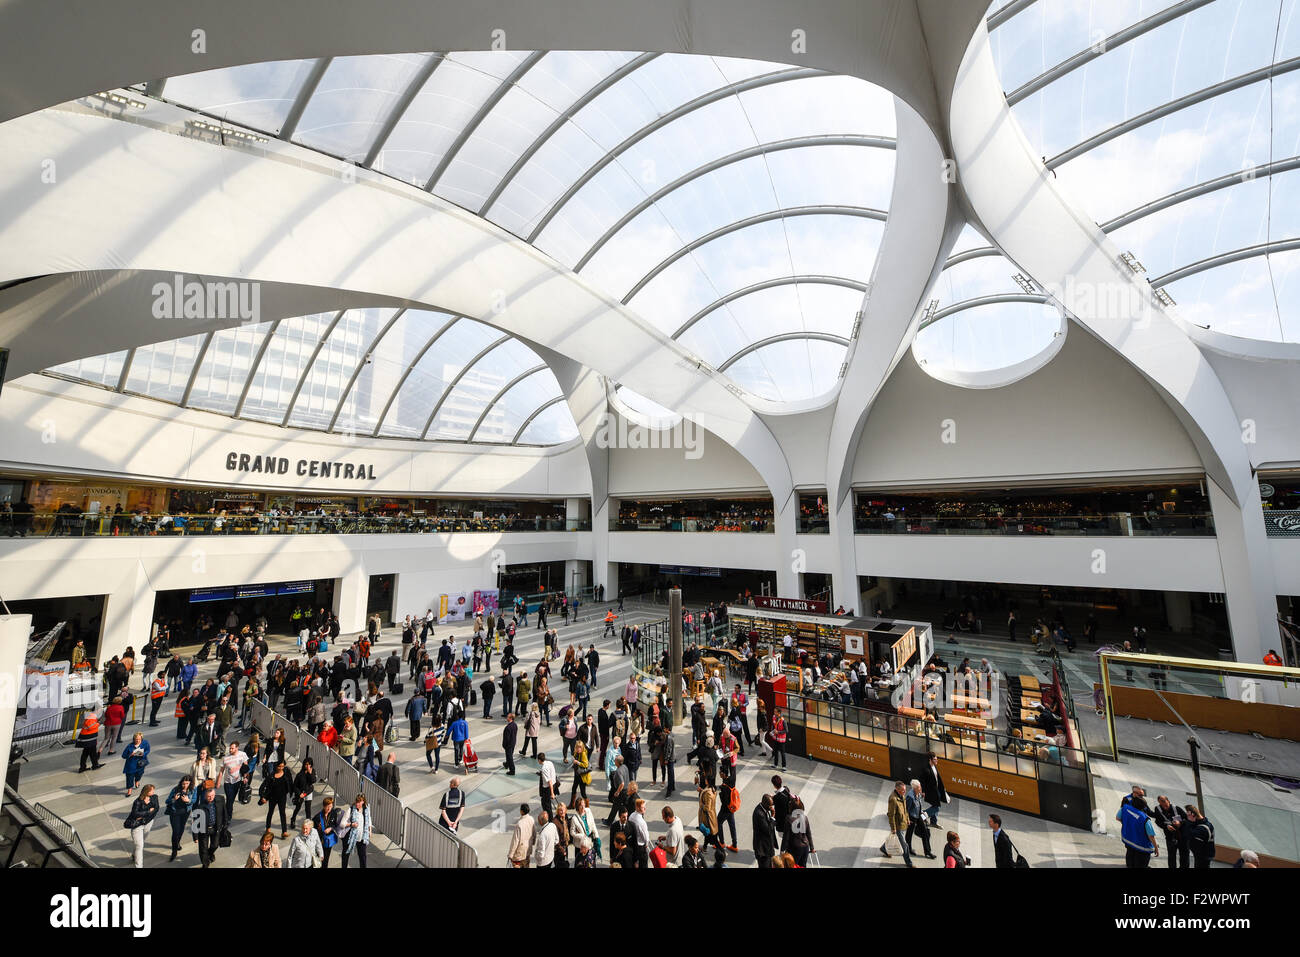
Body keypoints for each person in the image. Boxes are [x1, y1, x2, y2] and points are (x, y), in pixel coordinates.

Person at [1117, 794, 1159, 867]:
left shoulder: (1124, 808)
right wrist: (1156, 848)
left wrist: (1127, 825)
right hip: (1142, 848)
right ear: (1144, 807)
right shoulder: (1145, 819)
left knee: (1130, 864)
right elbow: (1151, 836)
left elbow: (1118, 818)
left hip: (1129, 842)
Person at [192, 779, 226, 868]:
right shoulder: (200, 807)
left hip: (215, 828)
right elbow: (195, 822)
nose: (211, 798)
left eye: (212, 796)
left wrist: (225, 825)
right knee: (203, 849)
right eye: (209, 796)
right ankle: (205, 863)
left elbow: (224, 813)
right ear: (205, 796)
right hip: (204, 830)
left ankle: (210, 854)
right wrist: (195, 836)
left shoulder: (220, 800)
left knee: (215, 845)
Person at [124, 783, 160, 868]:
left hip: (148, 823)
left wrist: (144, 815)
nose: (153, 792)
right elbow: (135, 813)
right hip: (137, 825)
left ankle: (134, 854)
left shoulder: (154, 798)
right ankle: (139, 866)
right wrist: (148, 812)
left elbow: (157, 808)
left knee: (140, 842)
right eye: (152, 791)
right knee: (140, 845)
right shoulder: (138, 801)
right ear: (147, 792)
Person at [881, 781, 913, 866]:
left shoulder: (902, 795)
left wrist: (907, 818)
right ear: (897, 789)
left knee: (897, 839)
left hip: (903, 823)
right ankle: (909, 863)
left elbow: (905, 809)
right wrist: (893, 828)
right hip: (898, 826)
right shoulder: (893, 799)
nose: (904, 792)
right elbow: (891, 815)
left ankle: (884, 848)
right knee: (904, 846)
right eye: (903, 790)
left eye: (905, 790)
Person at [1153, 795, 1188, 869]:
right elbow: (1158, 822)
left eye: (1164, 802)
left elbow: (1187, 819)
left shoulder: (1176, 808)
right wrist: (1166, 826)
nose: (1163, 805)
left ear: (1168, 801)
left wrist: (1180, 823)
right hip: (1170, 837)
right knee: (1171, 856)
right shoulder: (1158, 809)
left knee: (1184, 856)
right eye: (1160, 803)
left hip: (1182, 837)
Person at [260, 760, 292, 838]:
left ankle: (284, 831)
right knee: (270, 812)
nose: (281, 768)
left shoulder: (286, 774)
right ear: (276, 766)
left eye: (282, 766)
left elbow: (290, 783)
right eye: (279, 766)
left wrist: (291, 792)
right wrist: (263, 797)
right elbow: (262, 786)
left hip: (282, 797)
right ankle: (268, 828)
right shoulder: (271, 776)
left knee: (282, 813)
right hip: (272, 797)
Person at [339, 793, 371, 868]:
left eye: (359, 802)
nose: (357, 803)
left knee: (363, 857)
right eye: (356, 801)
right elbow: (342, 824)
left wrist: (370, 830)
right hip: (350, 837)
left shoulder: (366, 809)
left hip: (362, 837)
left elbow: (369, 819)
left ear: (363, 802)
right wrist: (351, 824)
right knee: (345, 855)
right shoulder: (350, 810)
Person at [905, 779, 934, 859]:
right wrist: (907, 819)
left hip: (919, 815)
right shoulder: (910, 797)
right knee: (909, 834)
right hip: (912, 817)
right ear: (914, 788)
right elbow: (906, 809)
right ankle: (908, 849)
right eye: (919, 788)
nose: (920, 788)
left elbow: (919, 803)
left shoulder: (918, 793)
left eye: (920, 787)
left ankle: (928, 852)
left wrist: (922, 813)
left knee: (925, 831)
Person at [920, 752, 948, 825]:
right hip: (930, 792)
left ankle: (933, 822)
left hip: (936, 790)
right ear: (930, 760)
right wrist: (923, 791)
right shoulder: (926, 769)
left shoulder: (934, 766)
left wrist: (942, 788)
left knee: (935, 806)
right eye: (935, 759)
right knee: (936, 807)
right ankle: (922, 816)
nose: (937, 761)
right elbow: (922, 781)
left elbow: (937, 779)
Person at [315, 797, 342, 868]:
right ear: (324, 806)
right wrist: (318, 828)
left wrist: (331, 828)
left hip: (329, 840)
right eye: (328, 806)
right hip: (320, 841)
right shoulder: (318, 817)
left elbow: (335, 824)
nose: (329, 808)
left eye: (331, 806)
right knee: (319, 858)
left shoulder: (333, 813)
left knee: (326, 859)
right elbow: (312, 830)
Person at [752, 793, 778, 868]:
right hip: (763, 849)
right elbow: (768, 830)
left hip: (768, 846)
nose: (772, 807)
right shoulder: (759, 814)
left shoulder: (765, 808)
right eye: (770, 805)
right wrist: (772, 816)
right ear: (765, 804)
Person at [122, 732, 150, 797]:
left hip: (140, 764)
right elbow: (123, 756)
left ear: (141, 739)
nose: (137, 740)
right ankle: (129, 790)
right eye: (136, 739)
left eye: (139, 739)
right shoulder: (129, 746)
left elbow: (148, 750)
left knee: (139, 774)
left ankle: (137, 781)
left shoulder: (145, 743)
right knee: (129, 778)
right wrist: (130, 754)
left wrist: (144, 754)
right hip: (131, 765)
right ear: (133, 739)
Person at [508, 803, 534, 868]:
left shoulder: (519, 824)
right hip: (528, 849)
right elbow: (534, 834)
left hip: (520, 852)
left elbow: (515, 841)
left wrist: (510, 855)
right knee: (527, 865)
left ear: (521, 811)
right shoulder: (531, 819)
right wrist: (532, 843)